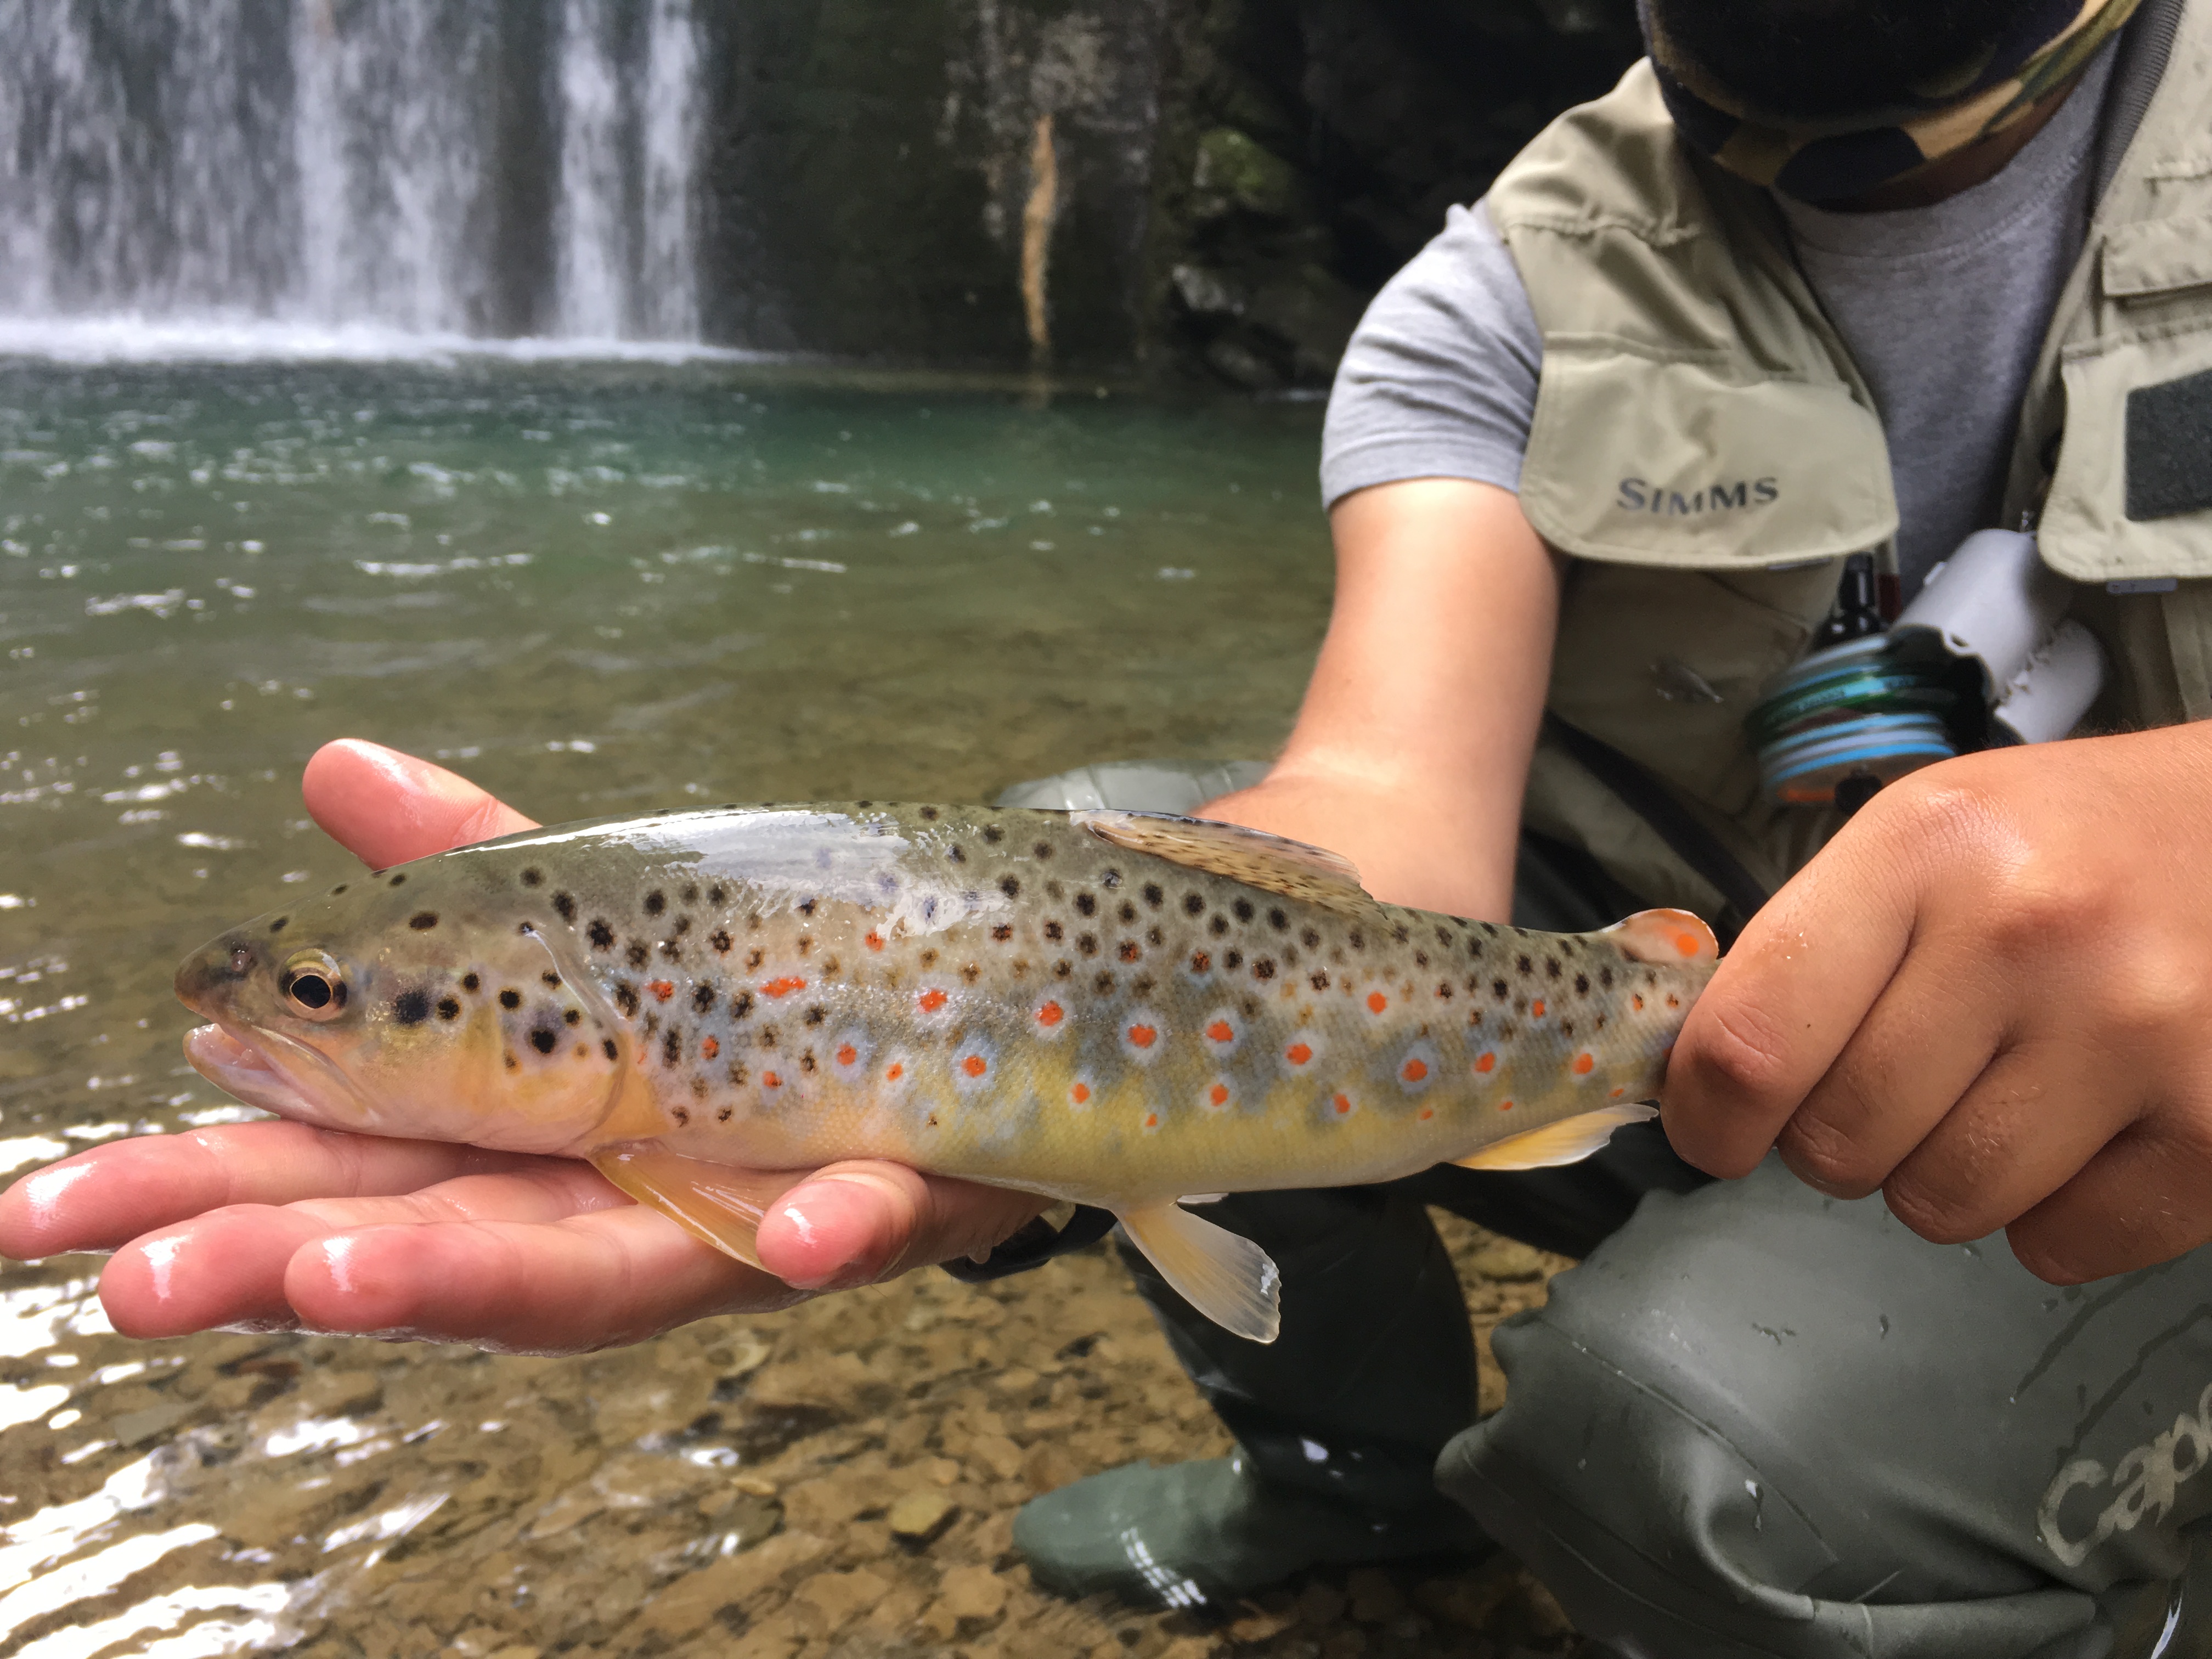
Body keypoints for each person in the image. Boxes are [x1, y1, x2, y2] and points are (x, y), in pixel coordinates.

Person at [7, 0, 2212, 1650]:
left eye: (335, 999)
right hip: (1652, 1017)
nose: (298, 1011)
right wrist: (1029, 1032)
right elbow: (1372, 821)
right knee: (1098, 835)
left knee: (1684, 1455)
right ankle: (1358, 1479)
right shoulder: (1498, 300)